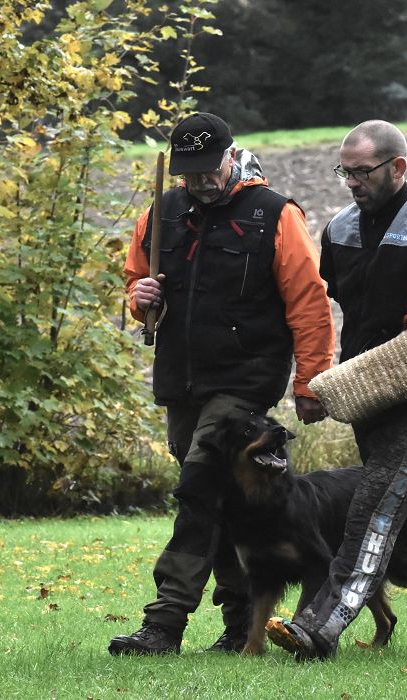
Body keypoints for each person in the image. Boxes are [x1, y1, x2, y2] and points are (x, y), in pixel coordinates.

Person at [110, 112, 334, 656]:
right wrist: (138, 299)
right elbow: (136, 283)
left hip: (245, 380)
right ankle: (239, 627)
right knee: (224, 504)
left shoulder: (274, 215)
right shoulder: (161, 213)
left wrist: (311, 381)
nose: (202, 181)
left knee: (198, 490)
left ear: (232, 157)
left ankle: (164, 624)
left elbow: (308, 302)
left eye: (211, 169)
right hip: (182, 381)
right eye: (190, 173)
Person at [265, 120, 407, 659]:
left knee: (375, 504)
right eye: (345, 172)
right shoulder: (339, 230)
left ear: (397, 167)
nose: (351, 182)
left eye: (362, 172)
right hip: (366, 389)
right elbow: (333, 305)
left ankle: (321, 625)